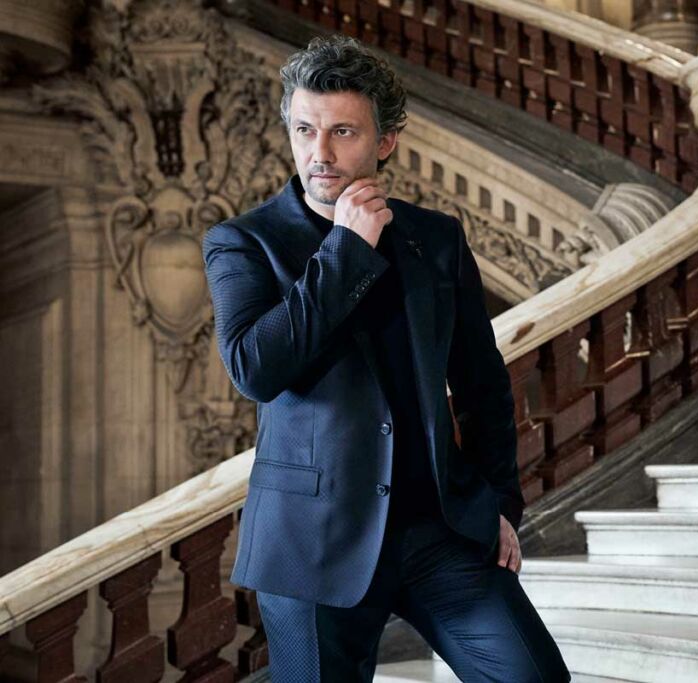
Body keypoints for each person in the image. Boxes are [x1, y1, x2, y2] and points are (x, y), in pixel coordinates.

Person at [201, 34, 571, 682]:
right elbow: (256, 368)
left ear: (386, 141)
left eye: (342, 130)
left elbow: (481, 383)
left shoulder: (437, 239)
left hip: (439, 532)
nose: (319, 152)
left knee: (534, 675)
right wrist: (345, 250)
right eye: (305, 129)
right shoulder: (243, 243)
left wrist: (500, 505)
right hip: (312, 541)